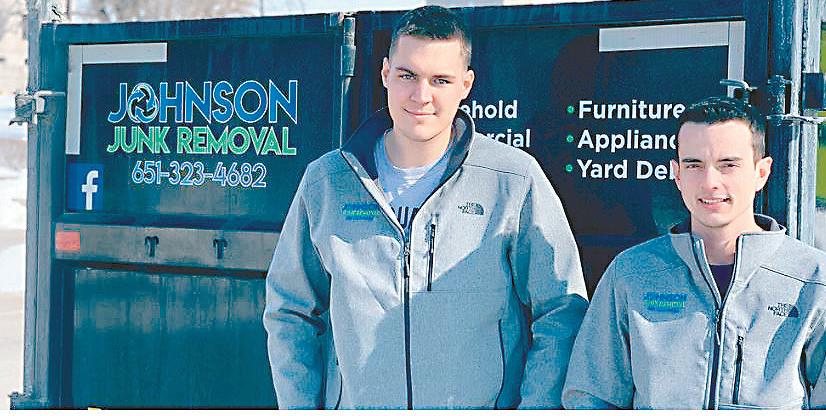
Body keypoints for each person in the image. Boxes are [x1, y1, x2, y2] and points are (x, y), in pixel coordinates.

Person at [263, 5, 588, 410]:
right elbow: (290, 311)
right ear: (385, 74)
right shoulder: (327, 182)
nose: (421, 96)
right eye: (407, 76)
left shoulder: (513, 180)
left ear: (465, 85)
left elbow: (561, 311)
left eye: (440, 80)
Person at [562, 96, 826, 409]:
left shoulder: (813, 280)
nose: (710, 182)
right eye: (694, 165)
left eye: (728, 165)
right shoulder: (631, 273)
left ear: (761, 172)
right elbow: (591, 397)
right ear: (677, 173)